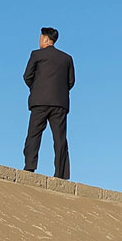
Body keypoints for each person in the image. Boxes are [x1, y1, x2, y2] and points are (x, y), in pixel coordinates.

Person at [23, 26, 75, 179]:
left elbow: (27, 76)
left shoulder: (36, 55)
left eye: (40, 37)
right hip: (60, 102)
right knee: (60, 139)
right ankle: (61, 174)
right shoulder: (67, 58)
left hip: (39, 101)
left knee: (34, 134)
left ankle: (30, 167)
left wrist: (37, 88)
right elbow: (71, 81)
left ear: (45, 39)